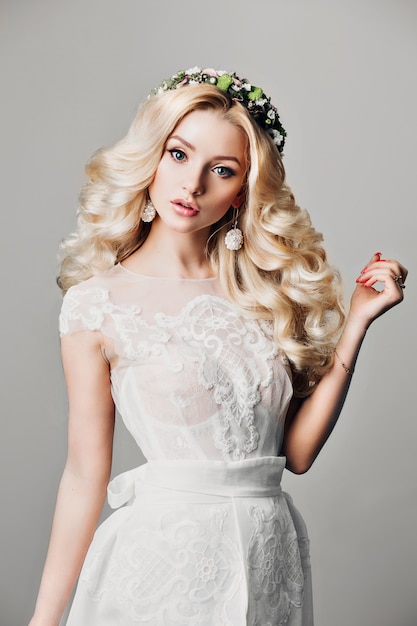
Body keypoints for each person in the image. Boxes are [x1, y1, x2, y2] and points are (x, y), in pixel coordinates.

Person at [29, 67, 407, 626]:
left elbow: (295, 455)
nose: (192, 184)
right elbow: (85, 475)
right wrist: (43, 619)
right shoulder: (96, 303)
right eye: (179, 155)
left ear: (241, 192)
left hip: (268, 555)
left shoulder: (266, 293)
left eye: (222, 170)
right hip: (163, 564)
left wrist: (357, 324)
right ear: (152, 158)